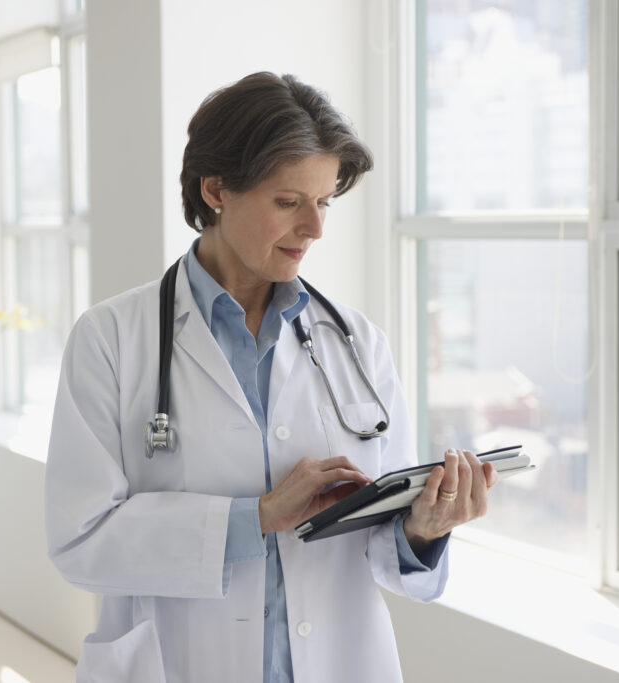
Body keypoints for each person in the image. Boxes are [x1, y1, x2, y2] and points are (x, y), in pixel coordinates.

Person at [44, 71, 498, 683]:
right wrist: (253, 517)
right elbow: (80, 542)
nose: (315, 228)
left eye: (324, 202)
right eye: (289, 203)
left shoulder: (357, 344)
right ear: (215, 190)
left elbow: (383, 544)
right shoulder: (110, 339)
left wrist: (424, 530)